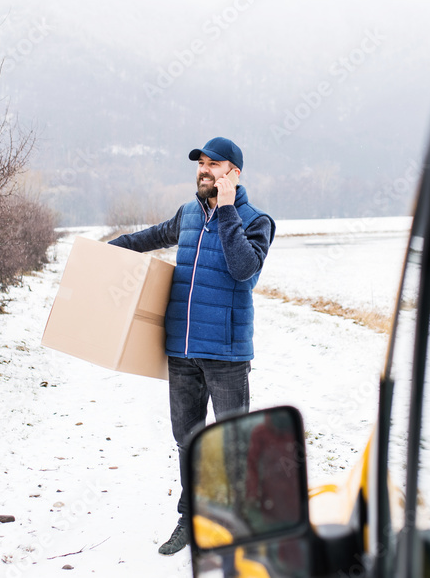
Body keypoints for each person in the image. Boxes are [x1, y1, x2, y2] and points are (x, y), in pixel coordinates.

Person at [108, 136, 275, 555]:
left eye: (213, 165)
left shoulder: (257, 221)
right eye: (200, 164)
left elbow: (242, 270)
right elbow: (144, 239)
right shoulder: (185, 215)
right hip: (181, 351)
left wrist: (227, 208)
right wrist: (98, 256)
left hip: (227, 355)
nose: (203, 170)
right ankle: (191, 516)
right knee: (188, 438)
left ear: (233, 174)